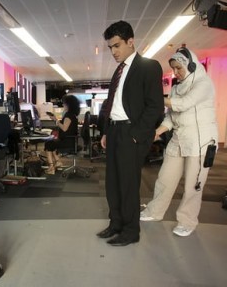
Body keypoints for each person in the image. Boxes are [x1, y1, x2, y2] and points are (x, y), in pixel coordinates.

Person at [96, 21, 164, 246]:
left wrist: (136, 134)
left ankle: (131, 231)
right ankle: (115, 223)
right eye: (110, 48)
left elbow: (155, 106)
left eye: (116, 46)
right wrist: (106, 131)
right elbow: (112, 103)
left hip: (130, 133)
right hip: (114, 131)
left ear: (130, 41)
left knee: (128, 184)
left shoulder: (149, 66)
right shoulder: (119, 70)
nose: (113, 51)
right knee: (112, 183)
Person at [140, 47, 218, 237]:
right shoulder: (175, 88)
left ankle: (187, 221)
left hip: (200, 141)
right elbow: (171, 117)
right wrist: (156, 133)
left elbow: (183, 104)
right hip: (178, 139)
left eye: (178, 68)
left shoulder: (203, 83)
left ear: (190, 65)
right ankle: (155, 211)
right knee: (164, 179)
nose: (175, 73)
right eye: (173, 69)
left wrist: (153, 97)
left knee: (193, 185)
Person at [44, 95, 80, 175]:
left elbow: (64, 128)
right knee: (52, 143)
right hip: (71, 141)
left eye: (64, 103)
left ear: (69, 105)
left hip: (67, 142)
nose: (63, 105)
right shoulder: (73, 114)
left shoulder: (69, 115)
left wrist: (56, 121)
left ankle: (51, 168)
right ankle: (58, 162)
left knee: (48, 144)